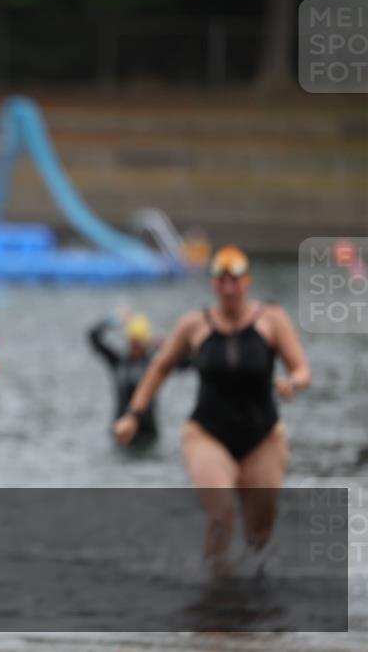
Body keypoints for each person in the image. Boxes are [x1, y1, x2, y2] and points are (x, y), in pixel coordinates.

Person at [113, 245, 310, 576]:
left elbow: (302, 369)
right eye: (222, 281)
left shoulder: (272, 319)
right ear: (214, 284)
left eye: (235, 281)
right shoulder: (195, 324)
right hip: (207, 434)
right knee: (221, 513)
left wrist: (293, 383)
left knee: (260, 531)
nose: (229, 289)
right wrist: (133, 415)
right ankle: (215, 590)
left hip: (263, 436)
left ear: (247, 282)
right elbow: (160, 367)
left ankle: (256, 587)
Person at [87, 310, 181, 449]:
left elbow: (186, 364)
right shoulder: (118, 362)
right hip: (121, 431)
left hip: (148, 435)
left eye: (139, 342)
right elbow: (93, 337)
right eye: (132, 341)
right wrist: (114, 321)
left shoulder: (155, 364)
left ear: (146, 342)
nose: (135, 346)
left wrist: (170, 346)